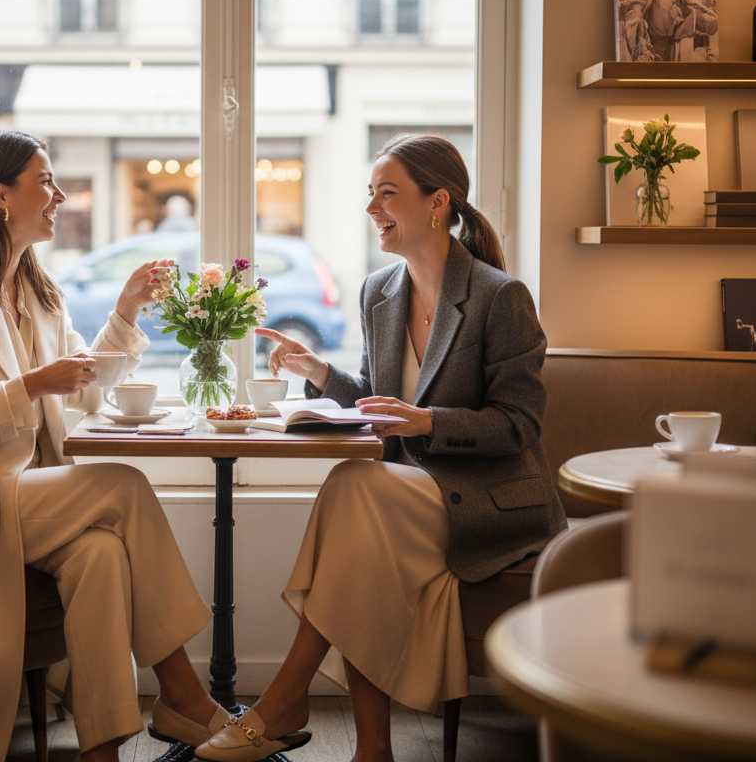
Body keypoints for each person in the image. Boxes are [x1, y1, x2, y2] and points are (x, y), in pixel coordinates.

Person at [196, 134, 567, 762]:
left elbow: (520, 424)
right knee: (358, 523)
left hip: (490, 501)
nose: (372, 208)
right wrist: (319, 374)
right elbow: (375, 400)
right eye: (370, 194)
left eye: (387, 193)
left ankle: (289, 701)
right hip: (404, 496)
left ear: (437, 202)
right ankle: (370, 748)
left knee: (353, 488)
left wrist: (426, 424)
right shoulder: (379, 293)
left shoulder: (500, 297)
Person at [0, 129, 229, 762]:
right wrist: (29, 385)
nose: (60, 195)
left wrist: (127, 310)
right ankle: (185, 698)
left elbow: (82, 391)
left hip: (16, 494)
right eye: (46, 181)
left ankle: (102, 750)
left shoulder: (33, 291)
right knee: (123, 485)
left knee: (101, 555)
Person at [622, 0, 718, 62]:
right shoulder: (643, 8)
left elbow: (713, 25)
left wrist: (693, 4)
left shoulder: (684, 9)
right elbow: (634, 24)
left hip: (677, 66)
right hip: (653, 66)